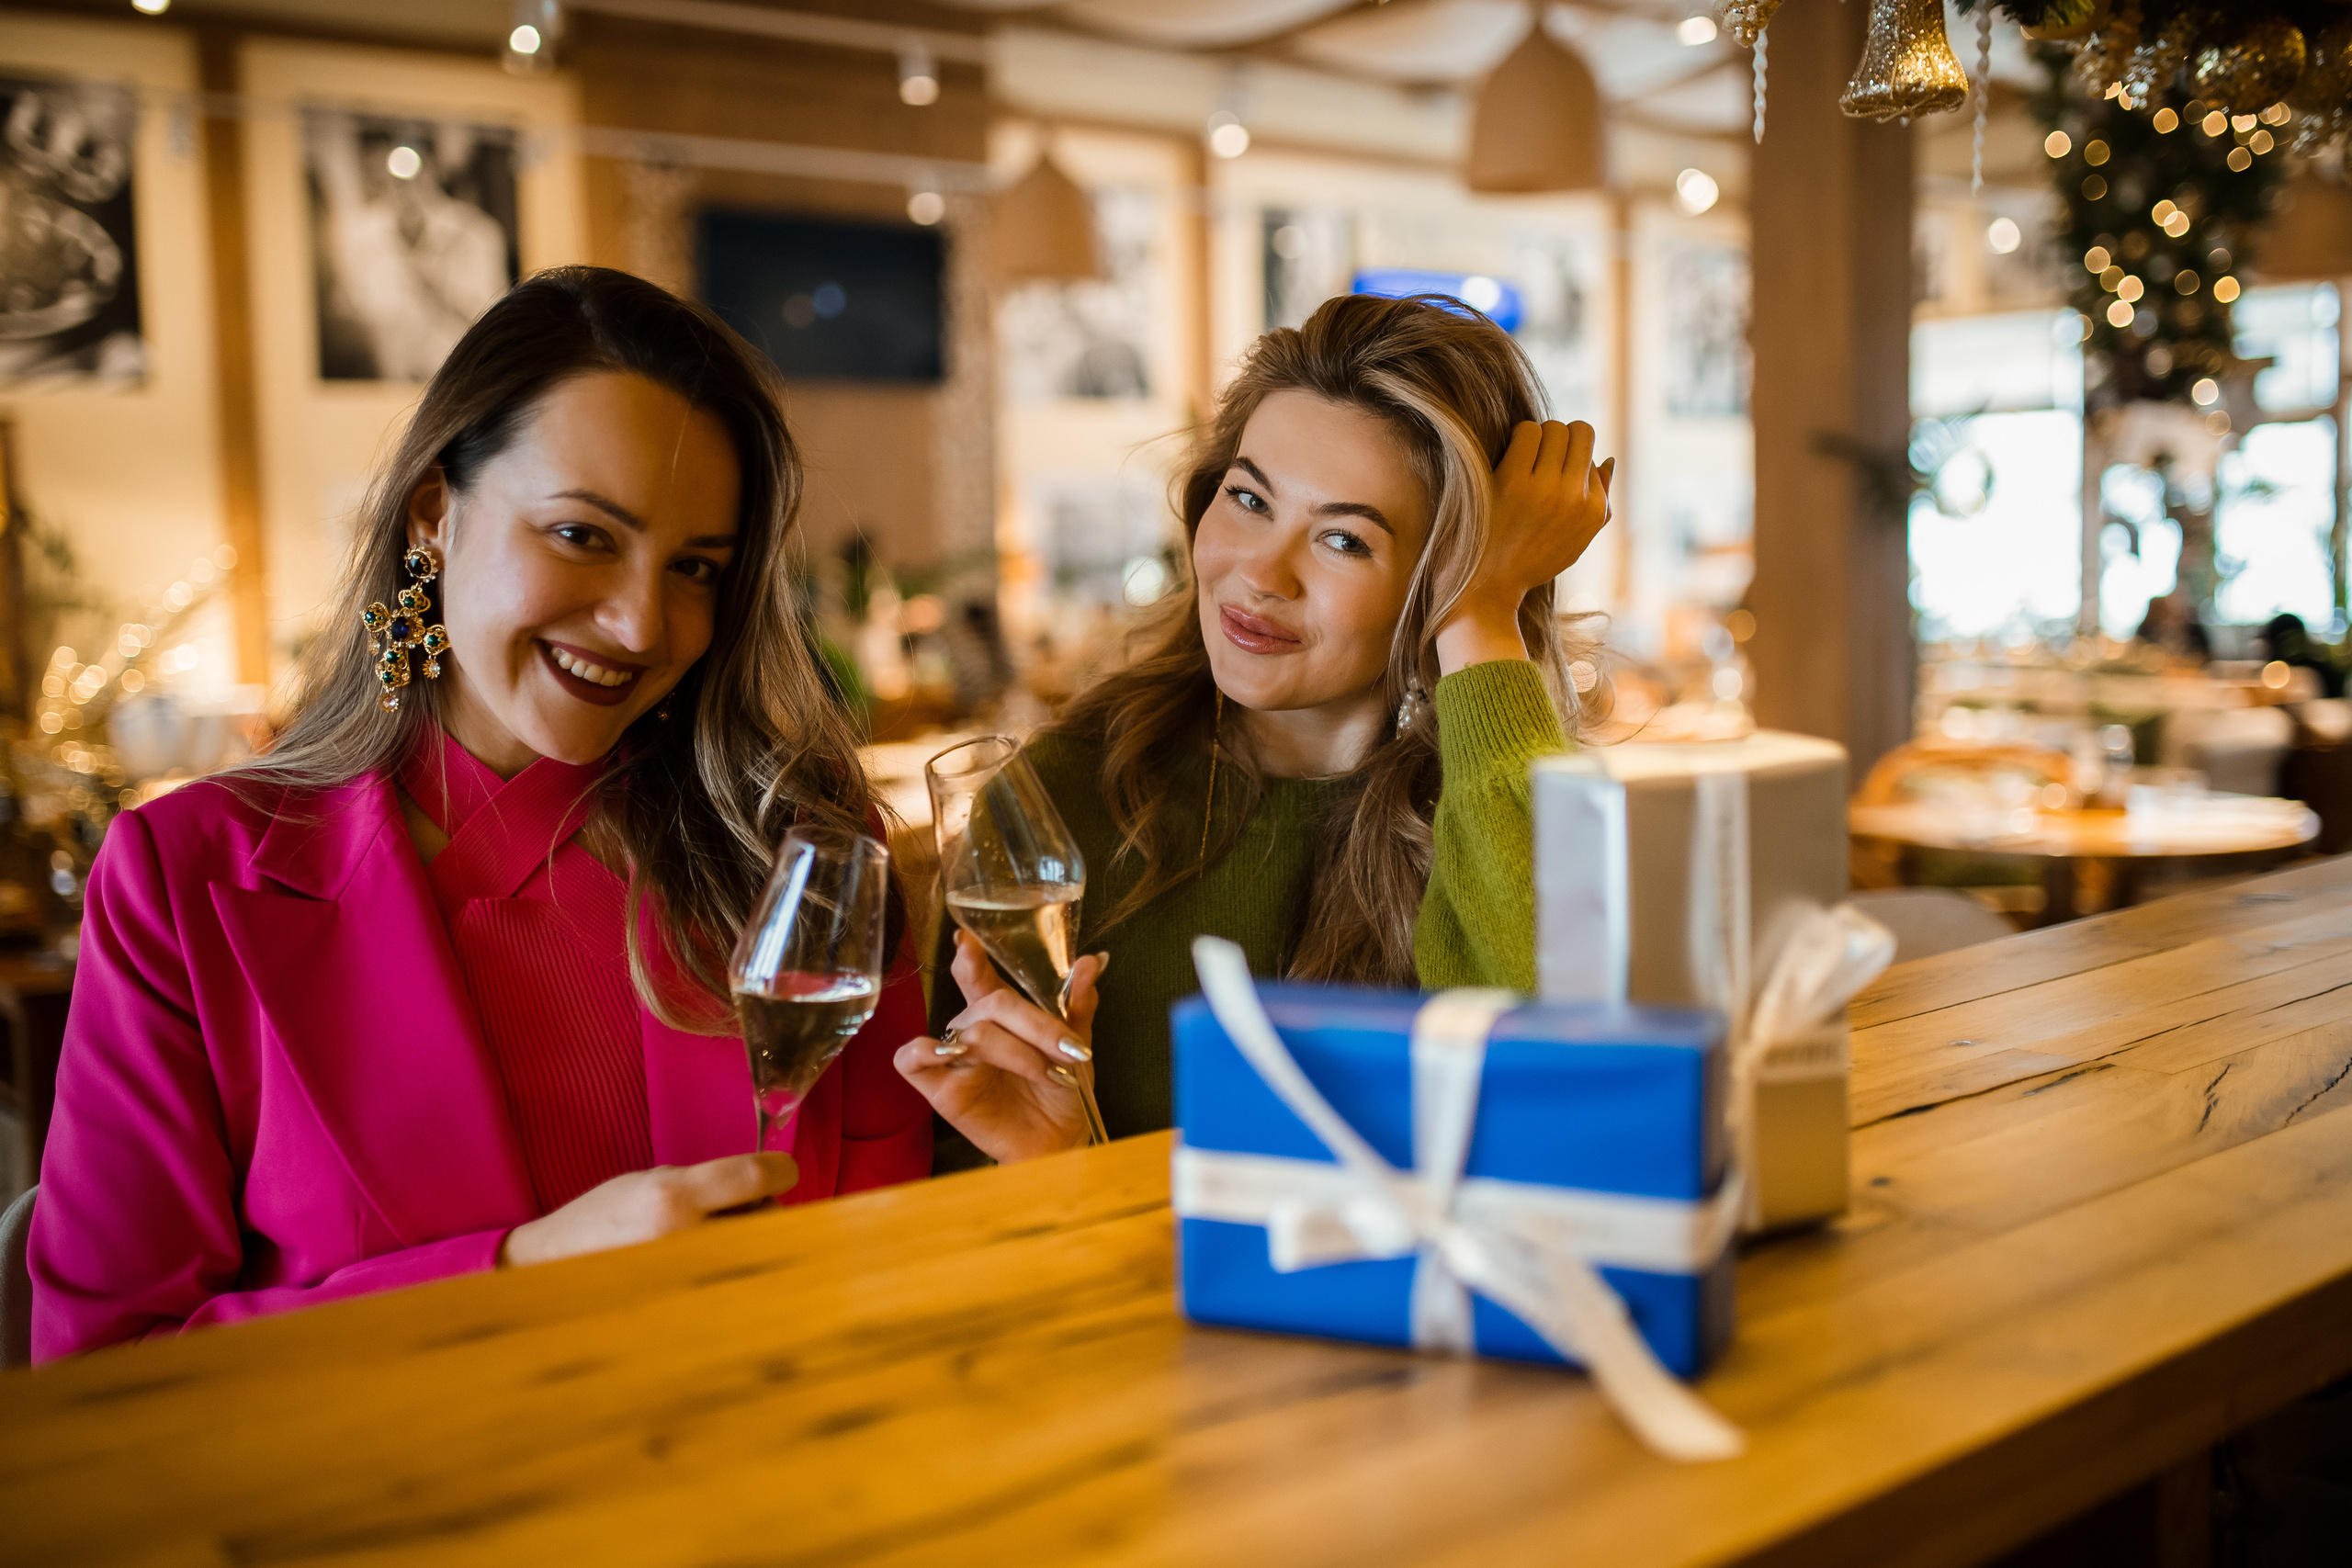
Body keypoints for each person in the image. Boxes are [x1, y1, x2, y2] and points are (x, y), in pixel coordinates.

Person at [30, 267, 930, 1360]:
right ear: (434, 520)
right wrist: (514, 1276)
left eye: (696, 567)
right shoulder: (184, 879)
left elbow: (896, 1262)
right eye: (580, 536)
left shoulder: (806, 853)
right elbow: (107, 1369)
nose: (643, 623)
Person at [901, 292, 1612, 1163]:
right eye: (1248, 498)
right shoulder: (1061, 801)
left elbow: (1566, 1109)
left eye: (1346, 540)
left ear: (1439, 580)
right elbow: (951, 1177)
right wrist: (1065, 1166)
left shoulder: (1494, 807)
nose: (1261, 573)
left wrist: (1481, 616)